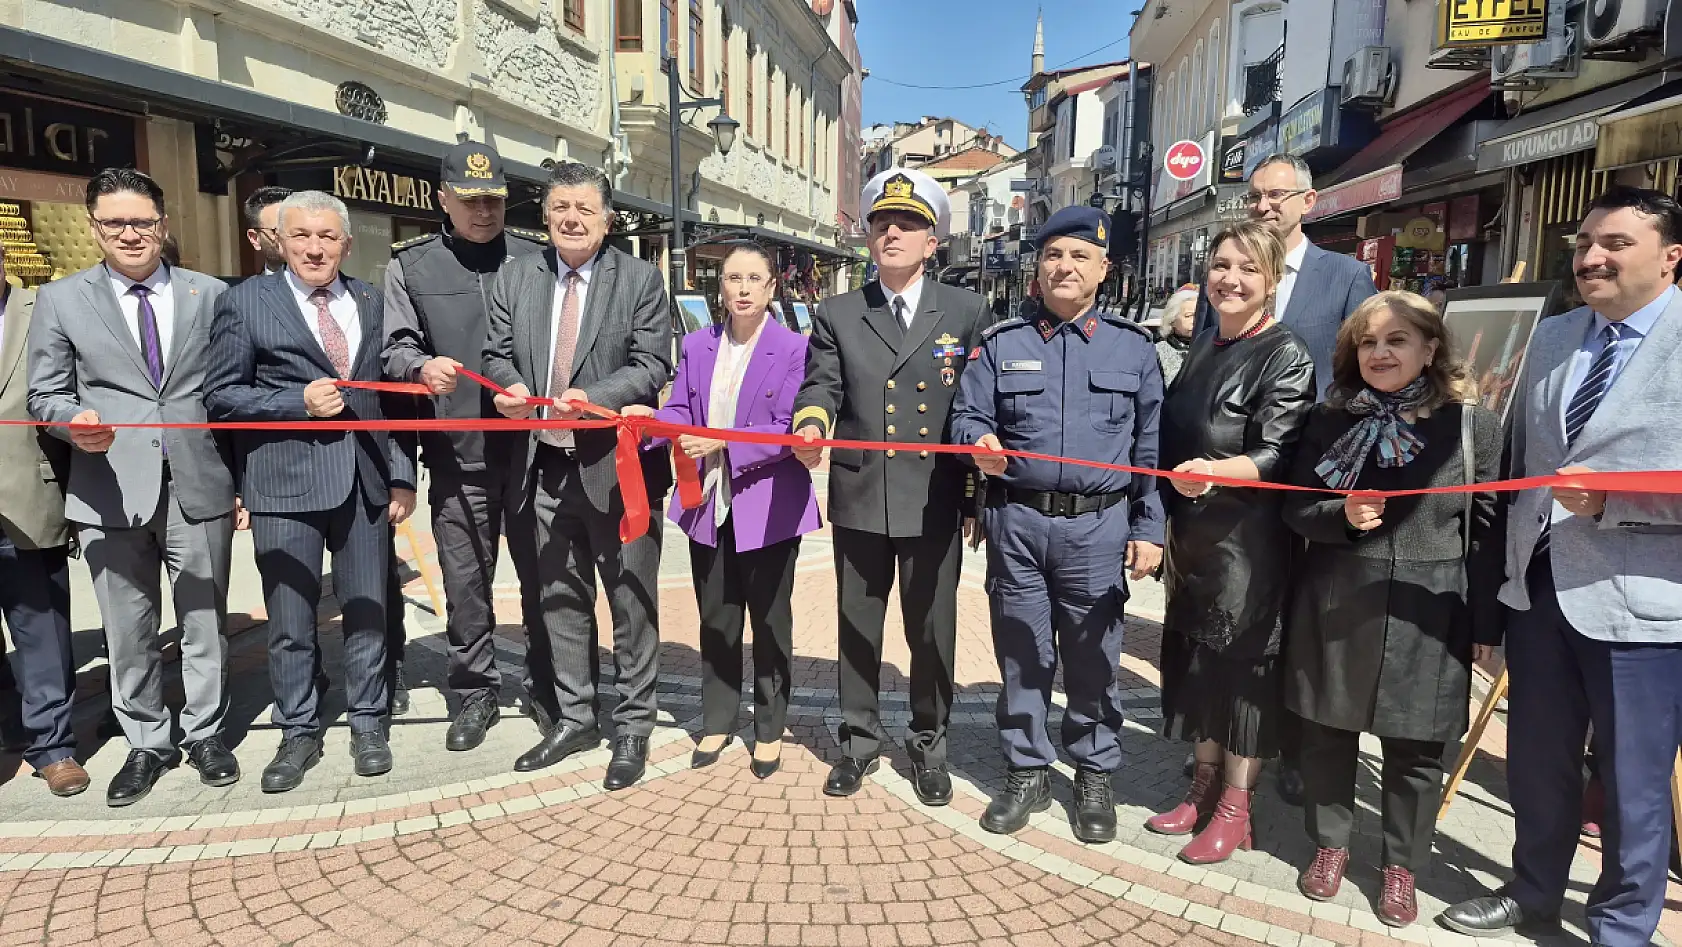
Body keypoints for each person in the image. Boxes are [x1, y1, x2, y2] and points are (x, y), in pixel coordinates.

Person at [1440, 186, 1682, 947]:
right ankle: (1533, 888)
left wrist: (1615, 503)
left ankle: (1619, 924)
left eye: (1614, 243)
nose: (1591, 257)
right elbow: (1520, 463)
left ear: (1671, 256)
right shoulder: (1554, 337)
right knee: (1538, 764)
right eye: (1582, 243)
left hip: (1643, 603)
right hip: (1539, 589)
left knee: (1634, 782)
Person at [1280, 291, 1505, 927]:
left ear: (1431, 349)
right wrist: (1342, 517)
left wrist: (1486, 625)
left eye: (1398, 340)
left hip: (1431, 606)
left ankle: (1402, 864)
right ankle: (1329, 846)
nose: (1381, 353)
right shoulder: (1329, 419)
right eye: (1369, 342)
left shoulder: (1472, 426)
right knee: (1328, 732)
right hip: (1340, 593)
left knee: (1417, 746)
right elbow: (1294, 507)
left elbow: (1488, 531)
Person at [950, 206, 1165, 843]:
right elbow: (965, 417)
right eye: (1052, 256)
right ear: (1036, 268)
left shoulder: (1133, 347)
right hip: (1017, 523)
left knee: (1095, 657)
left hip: (1099, 528)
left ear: (1103, 270)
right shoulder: (1001, 345)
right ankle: (1026, 768)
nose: (1063, 267)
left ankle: (1093, 771)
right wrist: (978, 440)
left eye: (1079, 257)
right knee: (1022, 652)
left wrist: (1149, 528)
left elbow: (1149, 446)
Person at [28, 168, 239, 806]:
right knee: (129, 628)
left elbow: (230, 389)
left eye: (142, 222)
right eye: (115, 222)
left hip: (198, 482)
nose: (130, 233)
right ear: (95, 227)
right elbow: (46, 394)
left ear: (163, 225)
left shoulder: (209, 294)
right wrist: (71, 425)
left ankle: (205, 732)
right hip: (109, 485)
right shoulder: (62, 299)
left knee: (205, 620)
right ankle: (148, 741)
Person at [203, 189, 417, 793]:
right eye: (301, 236)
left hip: (365, 482)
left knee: (368, 612)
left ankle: (369, 721)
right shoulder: (244, 304)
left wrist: (402, 474)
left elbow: (390, 402)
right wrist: (292, 402)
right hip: (283, 484)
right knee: (292, 621)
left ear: (346, 244)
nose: (315, 248)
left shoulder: (371, 302)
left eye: (327, 237)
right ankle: (298, 729)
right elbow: (220, 398)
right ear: (279, 240)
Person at [791, 168, 988, 804]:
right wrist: (812, 420)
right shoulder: (840, 312)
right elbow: (822, 383)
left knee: (932, 633)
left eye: (909, 225)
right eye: (882, 223)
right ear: (869, 239)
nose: (893, 232)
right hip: (861, 492)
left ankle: (930, 744)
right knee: (858, 625)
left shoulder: (966, 310)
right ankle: (858, 741)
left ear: (934, 242)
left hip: (933, 496)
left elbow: (979, 400)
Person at [1193, 153, 1378, 806]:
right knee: (1247, 628)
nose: (1265, 206)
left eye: (1278, 195)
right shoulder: (1225, 277)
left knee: (1306, 625)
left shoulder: (1346, 275)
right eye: (1255, 197)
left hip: (1313, 484)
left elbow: (1367, 371)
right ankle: (1229, 757)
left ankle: (1296, 749)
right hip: (1233, 499)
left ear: (1310, 200)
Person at [481, 161, 673, 789]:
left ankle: (634, 726)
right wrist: (509, 388)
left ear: (607, 219)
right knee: (559, 597)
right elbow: (496, 352)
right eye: (560, 207)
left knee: (630, 601)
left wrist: (593, 396)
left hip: (614, 471)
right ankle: (575, 715)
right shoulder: (517, 277)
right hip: (543, 466)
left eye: (585, 209)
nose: (571, 219)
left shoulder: (640, 279)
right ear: (545, 215)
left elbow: (650, 365)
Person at [1146, 220, 1317, 864]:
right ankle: (1201, 784)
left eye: (1248, 267)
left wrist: (1214, 472)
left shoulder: (1285, 352)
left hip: (1250, 541)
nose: (1231, 279)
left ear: (1271, 279)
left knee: (1244, 671)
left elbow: (1279, 451)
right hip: (1192, 536)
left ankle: (1236, 809)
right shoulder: (1204, 344)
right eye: (1221, 264)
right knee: (1196, 664)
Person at [624, 242, 820, 779]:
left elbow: (790, 424)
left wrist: (721, 443)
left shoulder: (794, 348)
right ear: (721, 285)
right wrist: (652, 422)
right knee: (717, 615)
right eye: (733, 278)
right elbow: (683, 406)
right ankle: (717, 719)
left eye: (754, 278)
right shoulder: (697, 345)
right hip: (706, 503)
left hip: (770, 503)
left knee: (771, 620)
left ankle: (769, 727)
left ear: (772, 287)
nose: (742, 288)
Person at [382, 141, 549, 749]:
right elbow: (393, 348)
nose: (484, 211)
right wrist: (421, 366)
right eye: (471, 200)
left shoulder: (538, 260)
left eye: (495, 199)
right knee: (466, 583)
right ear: (442, 200)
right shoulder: (411, 267)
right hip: (459, 456)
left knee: (543, 580)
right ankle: (474, 691)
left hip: (533, 455)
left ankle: (546, 685)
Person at [0, 243, 84, 797]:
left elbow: (69, 397)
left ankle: (52, 746)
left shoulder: (46, 307)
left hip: (29, 496)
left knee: (42, 630)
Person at [244, 185, 294, 274]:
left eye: (302, 231)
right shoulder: (248, 288)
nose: (294, 237)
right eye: (280, 230)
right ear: (255, 239)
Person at [1156, 284, 1199, 385]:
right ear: (1172, 320)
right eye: (1189, 316)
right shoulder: (1157, 352)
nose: (1195, 321)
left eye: (1198, 316)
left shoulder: (1209, 349)